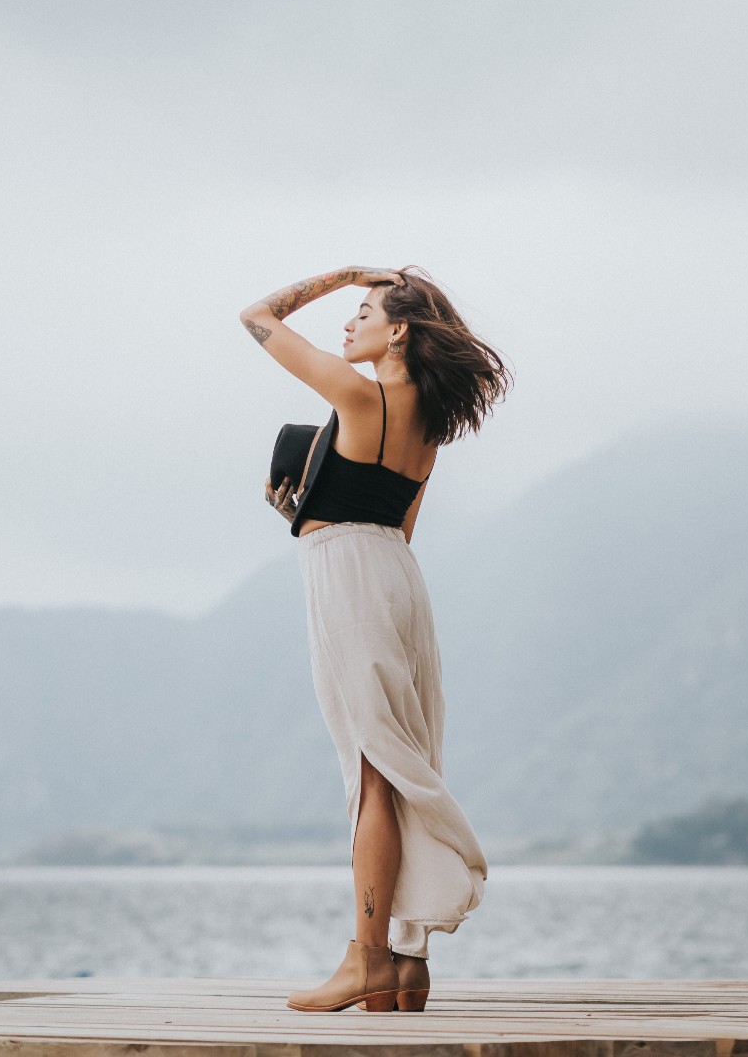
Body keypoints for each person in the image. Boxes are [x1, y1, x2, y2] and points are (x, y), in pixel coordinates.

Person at [239, 266, 511, 1013]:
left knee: (372, 773)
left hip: (349, 580)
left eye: (362, 312)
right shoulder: (428, 425)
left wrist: (345, 274)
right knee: (400, 759)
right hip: (395, 576)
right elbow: (396, 524)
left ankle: (365, 959)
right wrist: (312, 507)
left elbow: (256, 316)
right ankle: (406, 964)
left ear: (399, 331)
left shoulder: (360, 396)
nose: (348, 322)